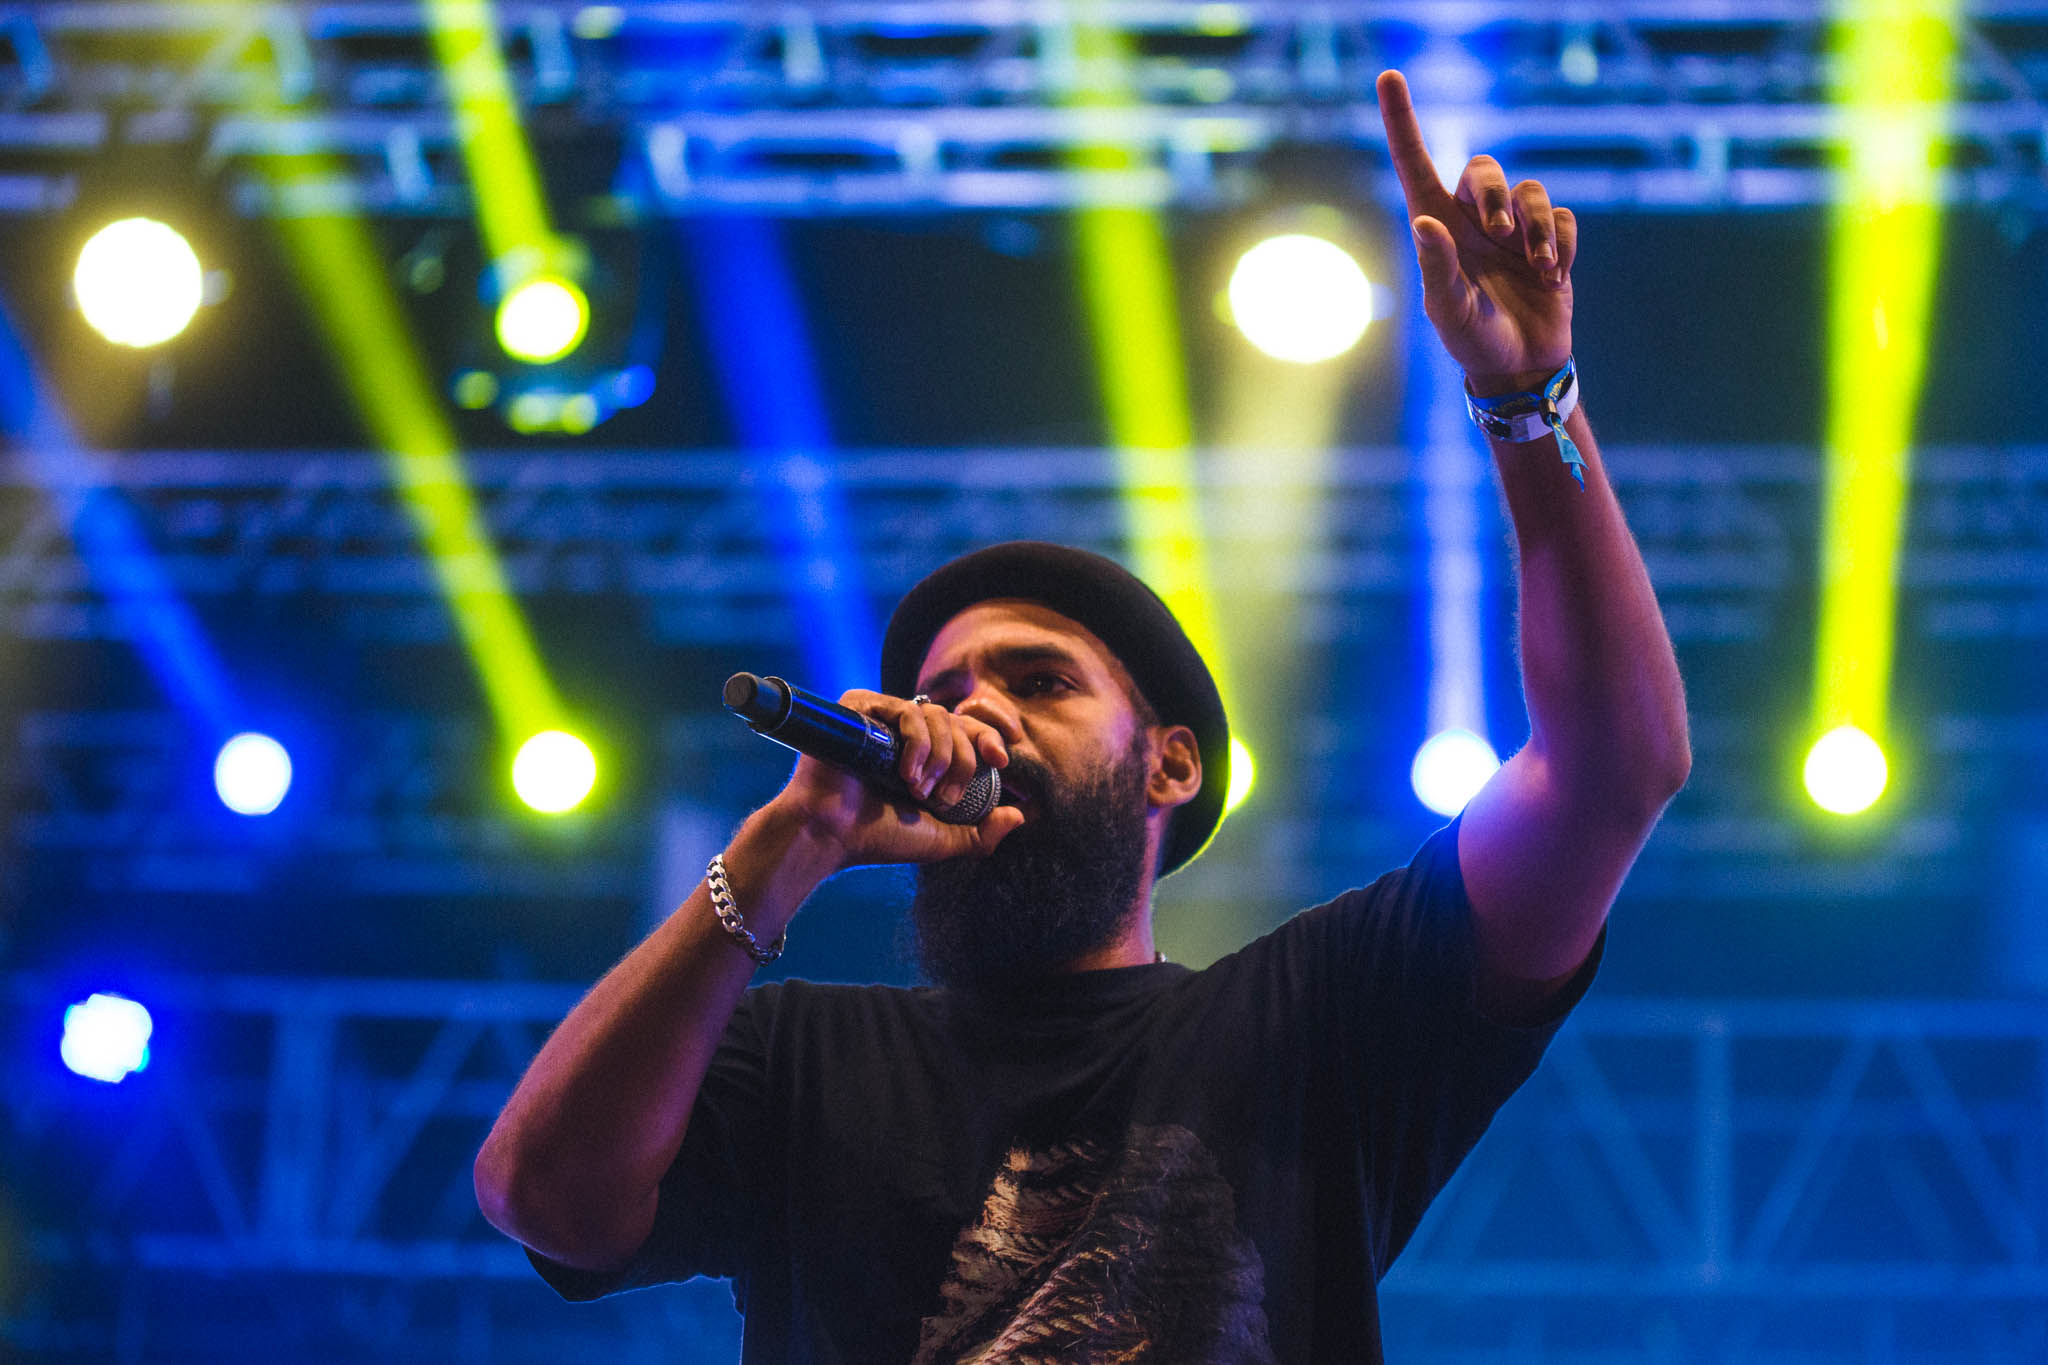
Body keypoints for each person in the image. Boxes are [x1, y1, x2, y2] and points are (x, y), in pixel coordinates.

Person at [475, 69, 1690, 1362]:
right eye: (945, 693)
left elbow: (1614, 771)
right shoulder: (800, 1055)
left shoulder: (1313, 1020)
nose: (980, 714)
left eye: (1041, 681)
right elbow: (540, 1196)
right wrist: (787, 841)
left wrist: (1531, 399)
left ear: (1170, 764)